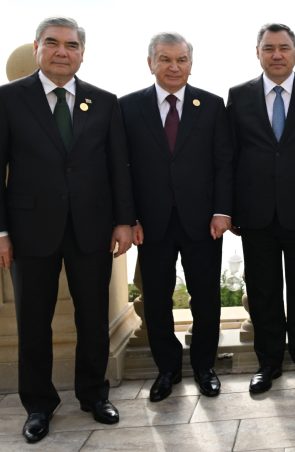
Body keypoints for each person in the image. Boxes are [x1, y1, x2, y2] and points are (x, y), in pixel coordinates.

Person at [0, 17, 134, 443]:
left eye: (71, 45)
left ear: (83, 53)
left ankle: (93, 394)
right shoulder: (7, 99)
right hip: (29, 233)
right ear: (37, 48)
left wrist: (124, 219)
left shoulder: (104, 102)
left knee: (92, 318)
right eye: (53, 43)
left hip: (92, 229)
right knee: (33, 323)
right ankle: (38, 405)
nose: (62, 52)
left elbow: (118, 166)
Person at [120, 33, 234, 401]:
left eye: (181, 59)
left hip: (202, 221)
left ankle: (205, 366)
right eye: (165, 59)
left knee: (205, 297)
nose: (174, 66)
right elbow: (121, 169)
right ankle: (167, 369)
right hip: (150, 224)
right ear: (150, 63)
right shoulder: (128, 108)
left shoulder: (212, 105)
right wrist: (129, 217)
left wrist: (221, 211)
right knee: (155, 300)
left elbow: (224, 163)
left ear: (190, 63)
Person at [228, 23, 295, 393]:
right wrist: (232, 208)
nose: (277, 55)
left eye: (284, 48)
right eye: (269, 48)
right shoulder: (238, 96)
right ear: (258, 53)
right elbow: (230, 156)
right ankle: (268, 363)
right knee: (263, 291)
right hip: (254, 215)